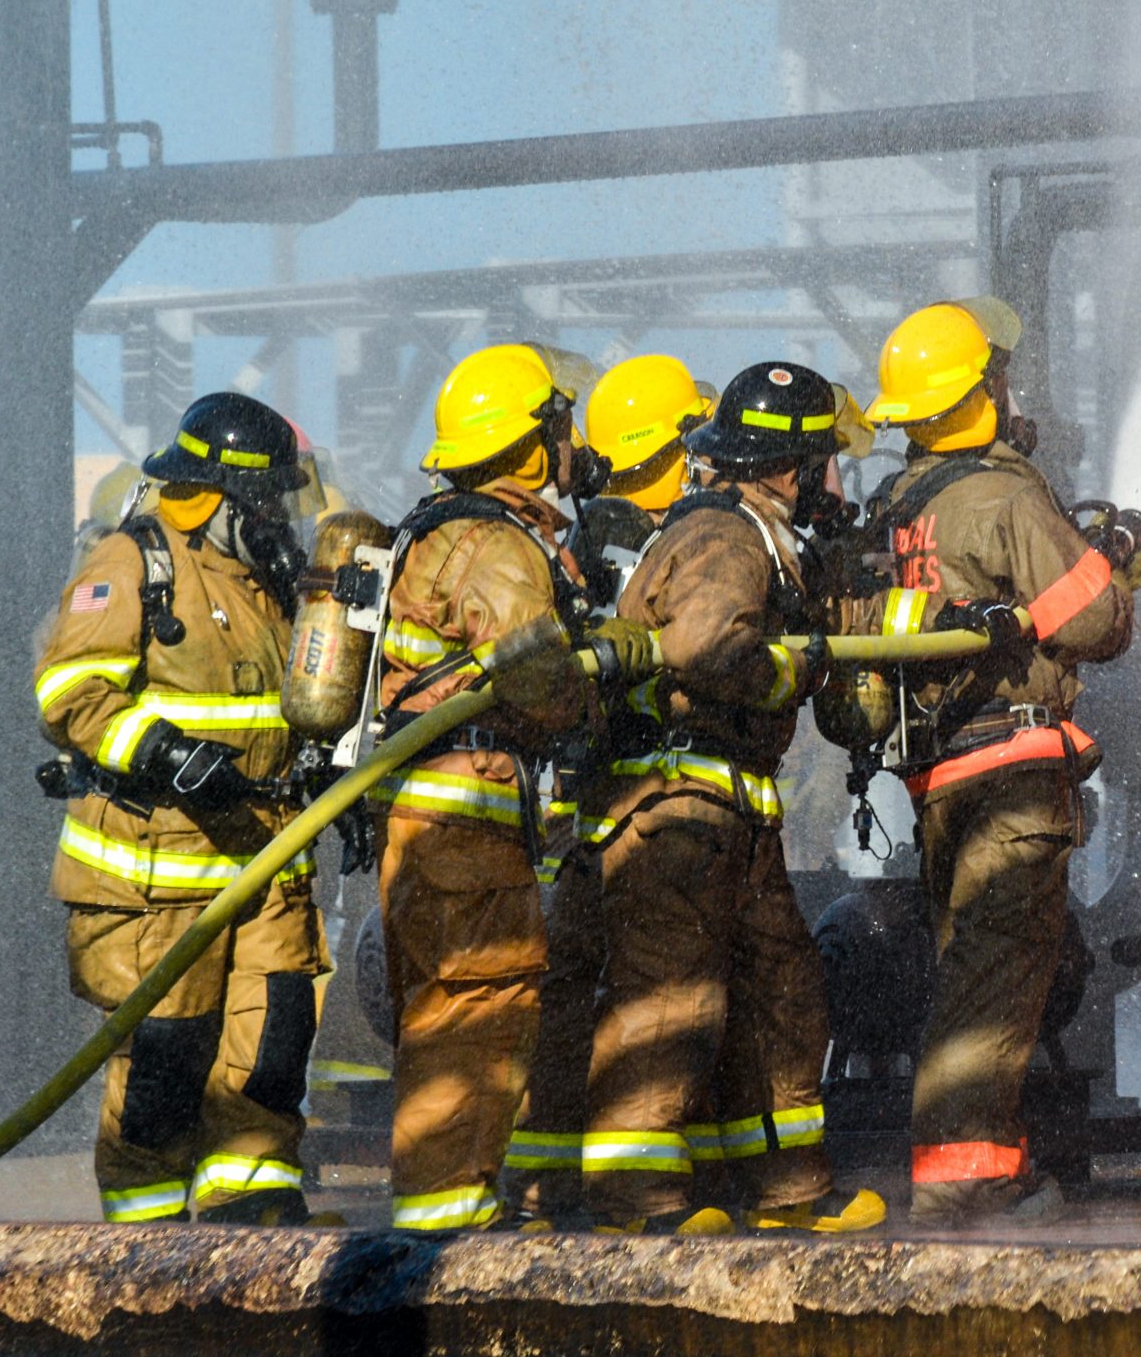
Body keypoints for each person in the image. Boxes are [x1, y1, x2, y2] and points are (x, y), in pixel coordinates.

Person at [574, 361, 883, 1235]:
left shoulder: (759, 534)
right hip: (674, 807)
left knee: (778, 992)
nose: (835, 480)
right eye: (826, 460)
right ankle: (635, 1202)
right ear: (791, 464)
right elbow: (707, 646)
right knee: (672, 999)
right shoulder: (725, 534)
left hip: (728, 811)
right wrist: (791, 664)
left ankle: (789, 1186)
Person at [857, 300, 1137, 1225]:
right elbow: (1092, 622)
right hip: (1014, 775)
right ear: (981, 391)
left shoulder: (899, 509)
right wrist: (1115, 561)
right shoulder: (1006, 497)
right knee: (994, 982)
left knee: (973, 969)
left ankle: (972, 1165)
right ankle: (966, 1181)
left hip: (938, 781)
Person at [368, 342, 654, 1231]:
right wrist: (611, 660)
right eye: (558, 425)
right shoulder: (495, 546)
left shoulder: (439, 530)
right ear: (530, 442)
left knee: (454, 1009)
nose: (570, 442)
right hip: (468, 823)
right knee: (474, 1011)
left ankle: (445, 1210)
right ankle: (442, 1229)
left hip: (436, 821)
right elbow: (543, 679)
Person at [35, 392, 328, 1225]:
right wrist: (163, 751)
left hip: (269, 858)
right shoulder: (133, 564)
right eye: (266, 497)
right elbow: (69, 689)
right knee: (167, 1056)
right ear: (222, 493)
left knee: (272, 1040)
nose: (279, 514)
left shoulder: (265, 579)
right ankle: (146, 1233)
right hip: (162, 870)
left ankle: (253, 1202)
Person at [504, 352, 711, 1226]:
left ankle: (545, 1179)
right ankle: (637, 1192)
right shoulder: (657, 548)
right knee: (651, 992)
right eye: (694, 440)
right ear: (667, 448)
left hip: (575, 805)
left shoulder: (584, 540)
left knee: (570, 989)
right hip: (639, 799)